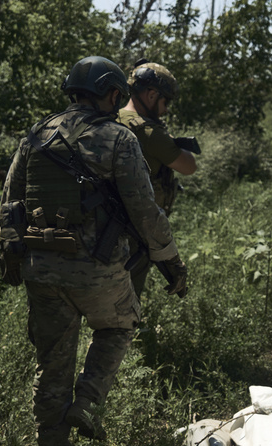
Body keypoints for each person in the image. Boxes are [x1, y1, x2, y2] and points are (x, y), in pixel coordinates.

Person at [0, 56, 189, 446]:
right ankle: (87, 403)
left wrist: (11, 257)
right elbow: (145, 210)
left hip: (40, 267)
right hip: (97, 270)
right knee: (119, 326)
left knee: (52, 363)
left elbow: (10, 202)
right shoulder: (118, 139)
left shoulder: (36, 135)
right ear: (112, 94)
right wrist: (171, 263)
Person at [117, 61, 199, 296]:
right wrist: (168, 137)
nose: (166, 110)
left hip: (102, 228)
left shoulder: (111, 118)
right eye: (165, 102)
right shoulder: (148, 132)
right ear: (151, 95)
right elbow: (189, 166)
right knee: (125, 308)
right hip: (135, 232)